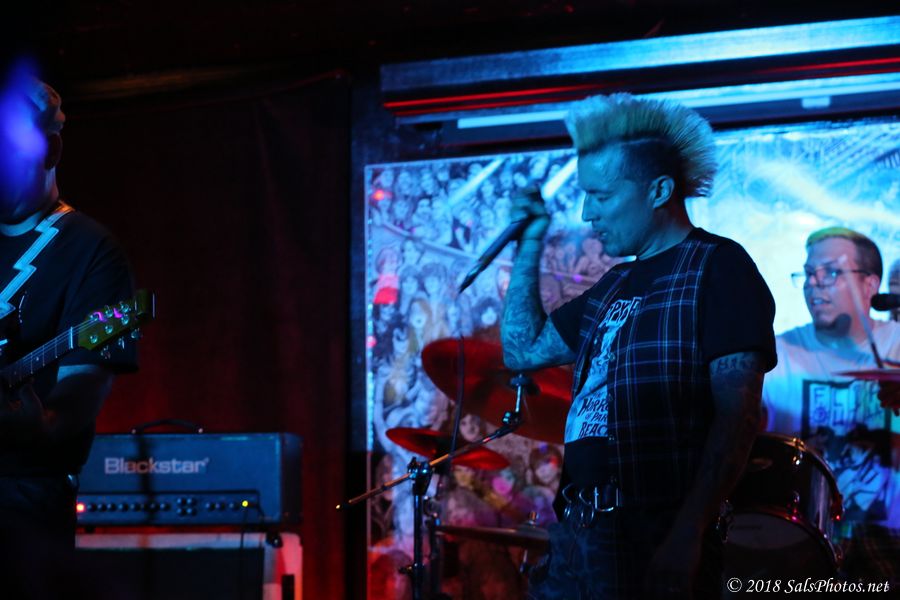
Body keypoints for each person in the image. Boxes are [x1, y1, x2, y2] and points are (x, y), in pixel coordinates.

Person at [500, 93, 776, 599]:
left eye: (601, 196)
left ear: (659, 191)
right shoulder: (614, 284)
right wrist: (532, 240)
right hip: (579, 531)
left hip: (650, 534)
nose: (587, 213)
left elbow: (737, 419)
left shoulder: (719, 267)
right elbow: (523, 351)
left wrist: (688, 532)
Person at [0, 77, 137, 598]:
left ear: (51, 150)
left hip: (22, 508)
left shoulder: (91, 252)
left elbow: (70, 408)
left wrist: (39, 425)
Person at [762, 227, 900, 585]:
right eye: (809, 273)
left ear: (870, 285)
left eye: (831, 272)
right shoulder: (775, 356)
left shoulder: (896, 345)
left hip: (889, 534)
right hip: (799, 534)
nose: (814, 283)